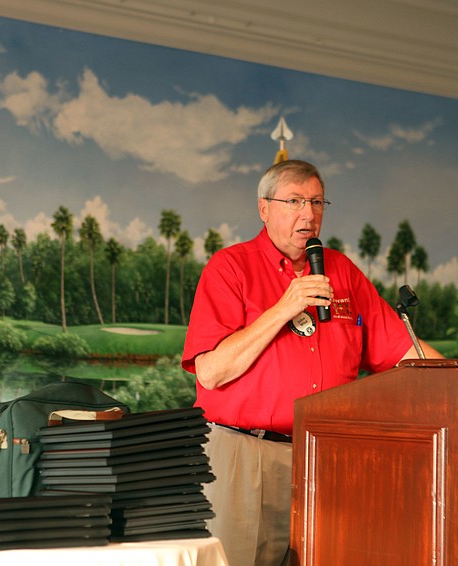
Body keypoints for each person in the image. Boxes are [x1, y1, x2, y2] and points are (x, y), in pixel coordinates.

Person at [182, 160, 442, 566]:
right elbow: (212, 372)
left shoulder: (342, 272)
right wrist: (285, 306)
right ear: (264, 208)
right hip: (244, 454)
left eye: (317, 202)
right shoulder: (231, 267)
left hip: (326, 460)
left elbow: (403, 352)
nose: (309, 214)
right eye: (295, 201)